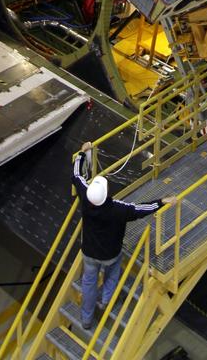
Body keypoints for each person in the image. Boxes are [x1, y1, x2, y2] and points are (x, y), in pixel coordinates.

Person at [72, 142, 177, 332]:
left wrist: (82, 153)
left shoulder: (85, 199)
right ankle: (106, 300)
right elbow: (140, 210)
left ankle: (86, 320)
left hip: (88, 253)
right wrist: (162, 201)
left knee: (88, 283)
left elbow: (77, 176)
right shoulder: (119, 210)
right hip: (110, 254)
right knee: (112, 275)